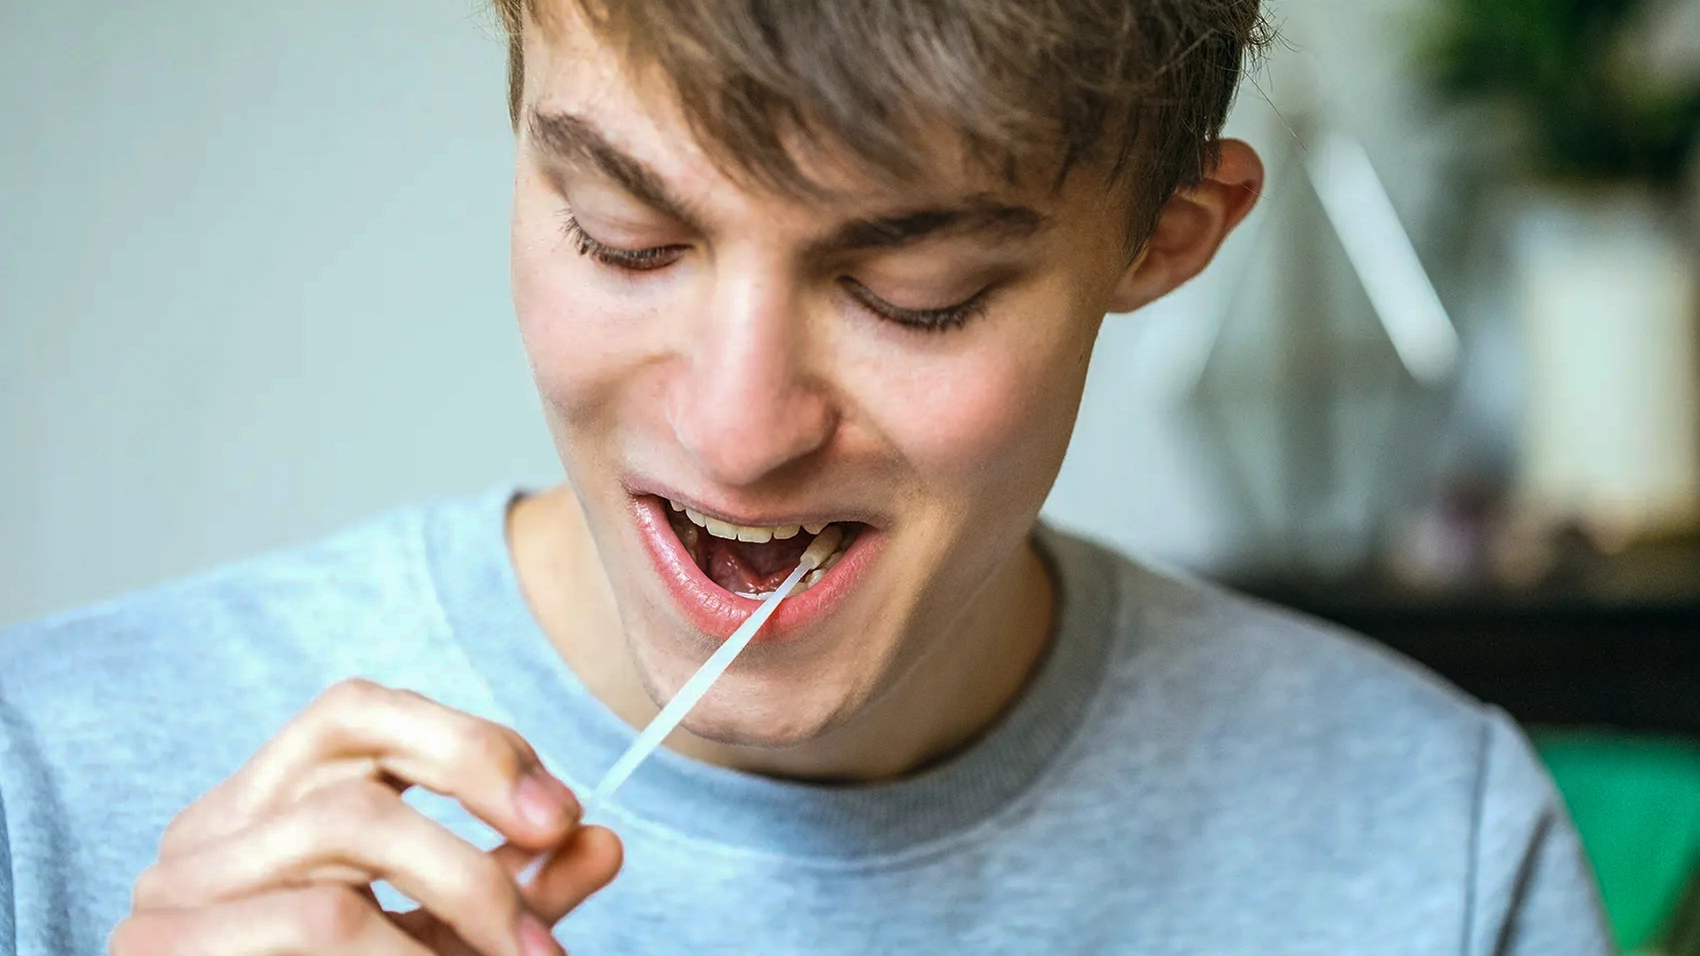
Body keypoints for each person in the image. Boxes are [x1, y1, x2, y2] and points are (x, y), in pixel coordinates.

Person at [0, 1, 1613, 953]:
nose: (734, 426)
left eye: (913, 295)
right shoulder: (56, 804)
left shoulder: (1433, 857)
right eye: (624, 238)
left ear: (1160, 243)